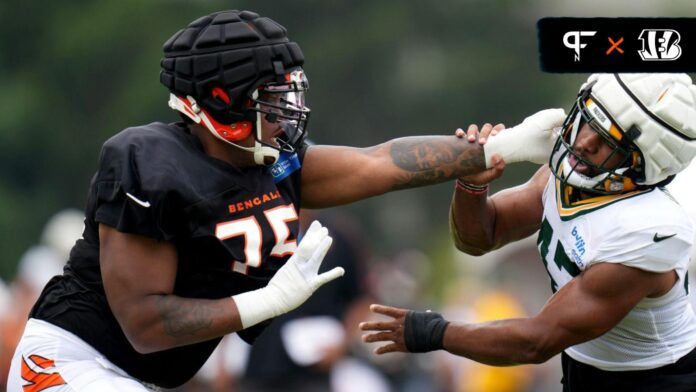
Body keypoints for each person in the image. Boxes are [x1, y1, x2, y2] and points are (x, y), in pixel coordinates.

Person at [7, 9, 564, 391]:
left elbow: (380, 163)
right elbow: (143, 323)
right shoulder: (148, 161)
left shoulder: (271, 162)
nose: (288, 114)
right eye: (273, 100)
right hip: (72, 362)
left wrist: (507, 146)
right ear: (221, 101)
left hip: (146, 374)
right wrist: (267, 303)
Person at [360, 73, 696, 391]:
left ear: (642, 165)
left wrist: (434, 333)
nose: (584, 142)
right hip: (585, 368)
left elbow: (536, 341)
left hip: (656, 380)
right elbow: (480, 238)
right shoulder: (562, 177)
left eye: (608, 141)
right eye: (588, 121)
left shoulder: (644, 230)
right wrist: (471, 184)